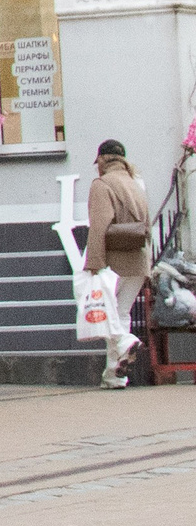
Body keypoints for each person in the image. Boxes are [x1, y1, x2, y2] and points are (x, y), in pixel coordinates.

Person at [86, 137, 152, 389]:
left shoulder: (102, 184)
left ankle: (125, 342)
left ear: (102, 160)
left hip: (114, 261)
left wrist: (94, 263)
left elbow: (99, 227)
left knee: (107, 314)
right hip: (138, 260)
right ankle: (115, 375)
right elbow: (147, 225)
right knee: (120, 313)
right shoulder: (136, 183)